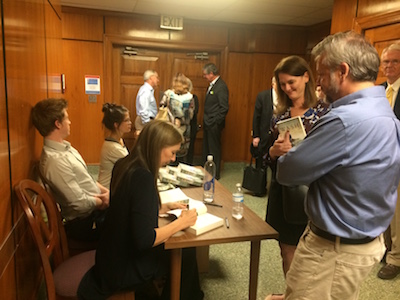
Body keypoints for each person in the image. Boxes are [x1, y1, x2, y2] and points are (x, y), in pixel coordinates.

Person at [266, 31, 400, 300]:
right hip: (362, 242)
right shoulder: (382, 109)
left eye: (322, 74)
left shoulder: (344, 120)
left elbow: (288, 171)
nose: (321, 83)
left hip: (334, 250)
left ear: (343, 71)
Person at [77, 120, 204, 300]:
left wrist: (161, 207)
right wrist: (182, 222)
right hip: (124, 267)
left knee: (183, 250)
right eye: (173, 152)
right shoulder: (143, 176)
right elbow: (146, 239)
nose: (174, 158)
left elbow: (125, 206)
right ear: (157, 147)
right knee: (184, 250)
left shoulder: (124, 163)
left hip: (109, 255)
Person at [265, 56, 329, 285]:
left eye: (291, 82)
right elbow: (266, 157)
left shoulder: (325, 113)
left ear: (306, 77)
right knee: (287, 250)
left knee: (314, 255)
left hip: (314, 193)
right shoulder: (279, 114)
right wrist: (273, 152)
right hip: (283, 192)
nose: (287, 88)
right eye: (282, 84)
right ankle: (294, 294)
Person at [31, 98, 109, 242]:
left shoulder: (65, 148)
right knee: (132, 227)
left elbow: (87, 180)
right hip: (84, 224)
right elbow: (78, 203)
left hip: (94, 210)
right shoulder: (55, 161)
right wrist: (103, 201)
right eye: (67, 118)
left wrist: (106, 193)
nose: (70, 122)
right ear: (57, 123)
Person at [378, 42, 400, 280]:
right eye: (386, 61)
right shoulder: (378, 90)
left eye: (395, 61)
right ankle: (383, 249)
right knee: (381, 206)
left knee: (398, 212)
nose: (389, 66)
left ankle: (396, 258)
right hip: (379, 161)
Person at [159, 73, 195, 164]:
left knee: (168, 151)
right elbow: (190, 115)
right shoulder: (190, 98)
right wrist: (180, 120)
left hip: (169, 127)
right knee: (180, 156)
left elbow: (161, 107)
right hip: (183, 129)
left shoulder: (167, 94)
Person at [202, 63, 229, 179]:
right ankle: (207, 171)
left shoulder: (221, 86)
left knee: (214, 149)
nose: (204, 77)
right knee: (207, 148)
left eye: (205, 75)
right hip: (208, 122)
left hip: (214, 123)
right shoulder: (212, 85)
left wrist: (215, 121)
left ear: (211, 74)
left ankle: (215, 174)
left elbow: (224, 107)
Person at [98, 103, 131, 189]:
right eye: (126, 120)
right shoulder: (113, 147)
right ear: (116, 125)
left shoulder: (118, 140)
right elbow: (132, 165)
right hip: (108, 191)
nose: (130, 123)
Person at [252, 76, 277, 170]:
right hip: (264, 136)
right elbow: (256, 117)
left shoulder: (286, 97)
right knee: (261, 167)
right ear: (273, 84)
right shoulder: (263, 96)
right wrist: (256, 135)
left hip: (277, 138)